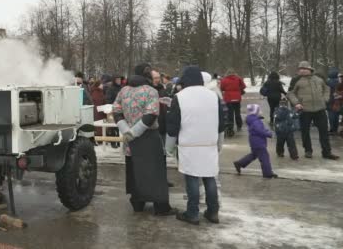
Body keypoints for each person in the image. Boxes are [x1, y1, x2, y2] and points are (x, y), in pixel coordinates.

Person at [113, 63, 176, 216]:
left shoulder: (124, 90)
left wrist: (126, 131)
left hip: (129, 137)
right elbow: (151, 114)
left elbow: (116, 110)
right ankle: (160, 206)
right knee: (155, 171)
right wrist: (135, 131)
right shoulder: (151, 91)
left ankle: (138, 203)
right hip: (148, 136)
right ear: (147, 75)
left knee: (134, 170)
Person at [166, 66, 224, 225]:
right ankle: (213, 212)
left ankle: (192, 213)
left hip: (189, 144)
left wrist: (169, 146)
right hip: (209, 143)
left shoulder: (179, 97)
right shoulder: (213, 96)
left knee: (192, 178)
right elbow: (221, 122)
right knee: (209, 177)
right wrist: (219, 142)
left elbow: (173, 125)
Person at [287, 61, 339, 160]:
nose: (302, 70)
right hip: (305, 110)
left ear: (310, 69)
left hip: (320, 109)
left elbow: (327, 89)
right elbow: (290, 93)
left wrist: (325, 99)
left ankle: (327, 152)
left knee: (324, 131)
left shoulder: (319, 79)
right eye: (300, 69)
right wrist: (297, 103)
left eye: (304, 68)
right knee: (305, 132)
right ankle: (308, 151)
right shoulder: (296, 80)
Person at [233, 104, 278, 178]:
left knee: (254, 155)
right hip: (259, 142)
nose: (260, 111)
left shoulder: (253, 119)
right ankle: (268, 173)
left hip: (254, 141)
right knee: (264, 157)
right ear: (255, 112)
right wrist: (269, 134)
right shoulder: (256, 121)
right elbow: (260, 131)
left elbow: (258, 129)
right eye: (259, 110)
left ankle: (239, 163)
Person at [327, 68, 340, 135]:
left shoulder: (328, 82)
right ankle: (336, 129)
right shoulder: (340, 81)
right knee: (336, 115)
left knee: (331, 115)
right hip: (338, 100)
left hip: (330, 100)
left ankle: (332, 129)